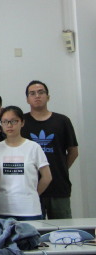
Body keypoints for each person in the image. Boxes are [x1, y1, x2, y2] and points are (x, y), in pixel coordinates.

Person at [21, 80, 77, 219]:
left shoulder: (62, 121)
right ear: (27, 99)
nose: (37, 96)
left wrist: (60, 168)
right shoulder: (21, 122)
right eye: (32, 93)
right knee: (33, 229)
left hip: (58, 186)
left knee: (63, 229)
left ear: (48, 96)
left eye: (41, 92)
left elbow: (73, 151)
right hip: (31, 187)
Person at [0, 106, 52, 221]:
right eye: (5, 122)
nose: (9, 125)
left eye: (14, 121)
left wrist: (33, 194)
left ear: (22, 123)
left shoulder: (33, 147)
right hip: (4, 210)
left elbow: (47, 177)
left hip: (30, 210)